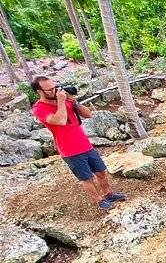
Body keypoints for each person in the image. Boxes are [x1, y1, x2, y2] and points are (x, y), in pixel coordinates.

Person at [31, 76, 127, 210]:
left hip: (85, 144)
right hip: (69, 150)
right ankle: (99, 201)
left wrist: (74, 102)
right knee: (86, 178)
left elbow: (88, 114)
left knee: (101, 171)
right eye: (50, 89)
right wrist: (61, 102)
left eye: (55, 87)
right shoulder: (39, 108)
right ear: (39, 91)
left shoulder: (65, 100)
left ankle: (108, 194)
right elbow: (60, 121)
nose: (55, 90)